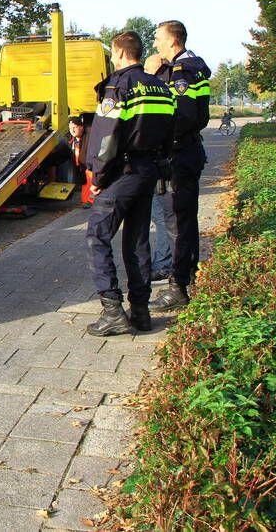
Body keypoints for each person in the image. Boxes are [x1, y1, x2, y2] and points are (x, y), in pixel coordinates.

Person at [84, 31, 175, 336]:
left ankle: (112, 310)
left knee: (97, 237)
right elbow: (169, 135)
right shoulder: (162, 88)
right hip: (149, 171)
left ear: (121, 53)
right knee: (137, 242)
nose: (112, 58)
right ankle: (140, 312)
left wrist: (97, 176)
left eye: (112, 53)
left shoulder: (118, 86)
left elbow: (105, 137)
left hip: (122, 172)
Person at [150, 20, 211, 311]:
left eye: (158, 38)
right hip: (186, 154)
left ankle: (178, 287)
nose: (155, 44)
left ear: (173, 41)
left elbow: (184, 116)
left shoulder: (183, 71)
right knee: (184, 221)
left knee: (177, 222)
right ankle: (187, 279)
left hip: (179, 156)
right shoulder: (188, 67)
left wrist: (162, 138)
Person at [143, 54, 171, 281]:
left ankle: (163, 264)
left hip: (157, 165)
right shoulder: (167, 93)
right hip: (164, 163)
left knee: (160, 218)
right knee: (163, 217)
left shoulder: (156, 92)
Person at [65, 116, 94, 207]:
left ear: (81, 127)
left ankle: (91, 201)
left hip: (90, 166)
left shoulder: (89, 135)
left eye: (75, 127)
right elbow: (63, 153)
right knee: (85, 184)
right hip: (81, 168)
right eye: (70, 128)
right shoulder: (71, 139)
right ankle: (86, 201)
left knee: (91, 182)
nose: (72, 130)